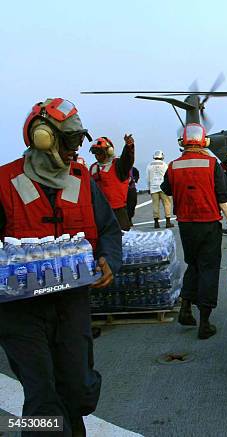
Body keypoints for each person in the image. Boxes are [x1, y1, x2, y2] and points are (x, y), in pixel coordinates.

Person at [0, 98, 122, 436]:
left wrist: (108, 259)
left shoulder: (82, 180)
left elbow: (109, 229)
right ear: (44, 138)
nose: (74, 150)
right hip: (21, 311)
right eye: (68, 141)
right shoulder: (4, 182)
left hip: (71, 303)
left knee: (78, 390)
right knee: (42, 396)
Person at [161, 123, 227, 339]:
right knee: (209, 268)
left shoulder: (174, 165)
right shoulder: (211, 163)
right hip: (208, 223)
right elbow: (223, 196)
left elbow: (165, 189)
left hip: (186, 225)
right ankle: (204, 321)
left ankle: (186, 308)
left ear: (182, 142)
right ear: (205, 141)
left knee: (193, 265)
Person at [89, 134, 135, 231]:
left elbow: (127, 159)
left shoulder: (118, 165)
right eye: (95, 153)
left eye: (100, 152)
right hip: (100, 211)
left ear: (108, 151)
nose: (97, 156)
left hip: (118, 212)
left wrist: (129, 146)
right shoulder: (93, 168)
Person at [147, 150, 174, 229]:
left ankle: (156, 223)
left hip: (153, 187)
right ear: (162, 156)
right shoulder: (165, 165)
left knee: (155, 205)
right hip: (163, 188)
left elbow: (147, 178)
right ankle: (168, 222)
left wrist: (149, 188)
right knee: (167, 204)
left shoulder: (149, 165)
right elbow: (168, 177)